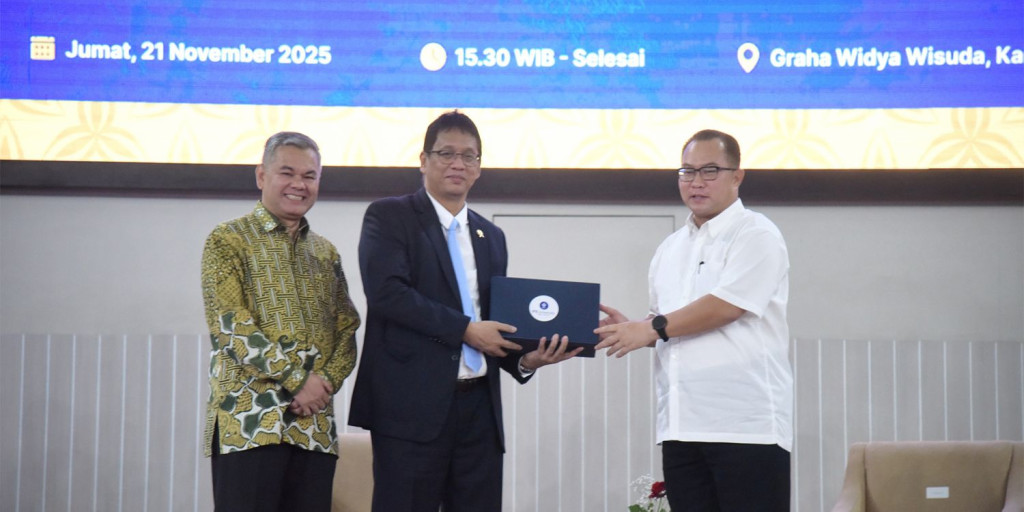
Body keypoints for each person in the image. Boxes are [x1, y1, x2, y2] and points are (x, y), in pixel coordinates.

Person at [348, 110, 580, 511]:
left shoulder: (491, 236)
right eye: (446, 153)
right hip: (410, 412)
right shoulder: (389, 216)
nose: (458, 164)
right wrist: (466, 330)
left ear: (478, 168)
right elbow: (387, 293)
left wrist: (526, 359)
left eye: (469, 156)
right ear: (423, 160)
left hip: (478, 414)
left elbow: (495, 323)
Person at [595, 129, 793, 512]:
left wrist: (650, 329)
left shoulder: (756, 233)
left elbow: (726, 307)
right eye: (687, 171)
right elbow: (665, 320)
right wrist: (635, 328)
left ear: (738, 176)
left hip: (745, 427)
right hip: (681, 426)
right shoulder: (670, 248)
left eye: (710, 171)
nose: (696, 182)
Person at [200, 131, 360, 511]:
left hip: (313, 429)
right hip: (250, 425)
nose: (298, 185)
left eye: (310, 176)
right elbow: (231, 326)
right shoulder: (228, 240)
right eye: (287, 173)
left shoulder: (325, 253)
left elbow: (347, 329)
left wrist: (324, 385)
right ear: (261, 175)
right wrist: (297, 381)